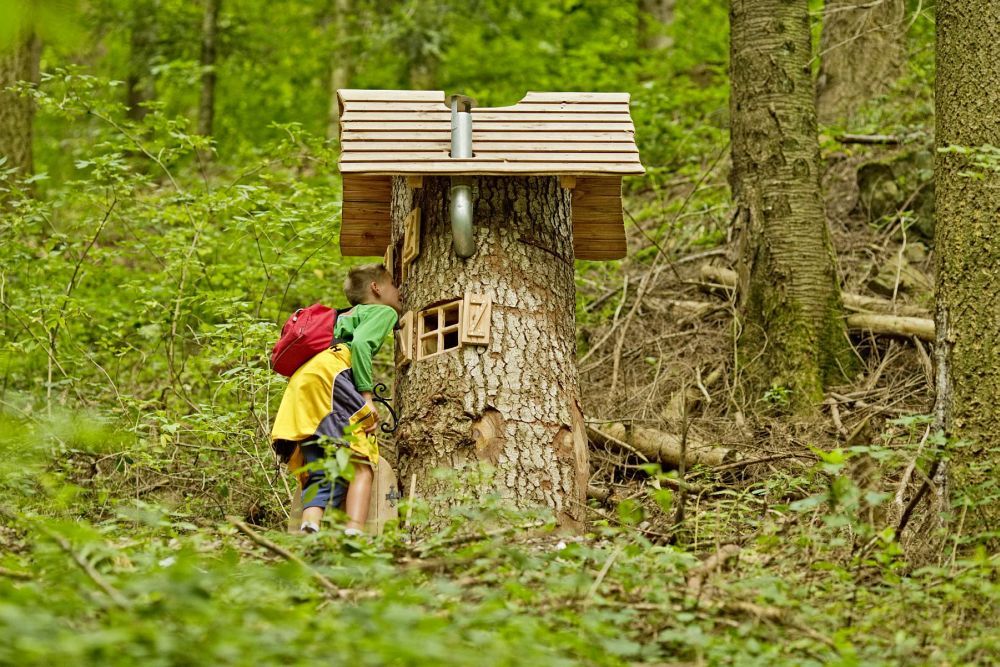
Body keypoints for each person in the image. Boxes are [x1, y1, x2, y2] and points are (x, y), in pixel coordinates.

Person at [271, 263, 401, 534]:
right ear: (376, 288)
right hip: (332, 377)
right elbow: (363, 345)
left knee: (321, 463)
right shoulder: (382, 311)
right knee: (361, 462)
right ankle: (354, 532)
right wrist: (366, 396)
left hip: (303, 382)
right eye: (393, 284)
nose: (399, 291)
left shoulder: (341, 317)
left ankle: (311, 525)